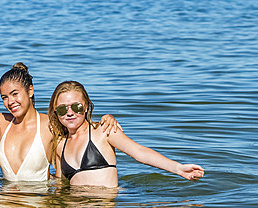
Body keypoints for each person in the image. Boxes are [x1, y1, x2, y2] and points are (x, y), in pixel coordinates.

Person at [0, 62, 120, 181]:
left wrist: (106, 119)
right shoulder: (1, 124)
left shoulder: (50, 124)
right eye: (4, 97)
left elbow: (78, 127)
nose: (10, 102)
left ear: (30, 91)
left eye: (15, 94)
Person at [48, 80, 204, 188]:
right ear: (56, 112)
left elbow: (139, 152)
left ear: (87, 106)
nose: (70, 113)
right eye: (62, 109)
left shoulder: (103, 131)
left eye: (76, 107)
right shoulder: (60, 144)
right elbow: (61, 183)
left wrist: (178, 168)